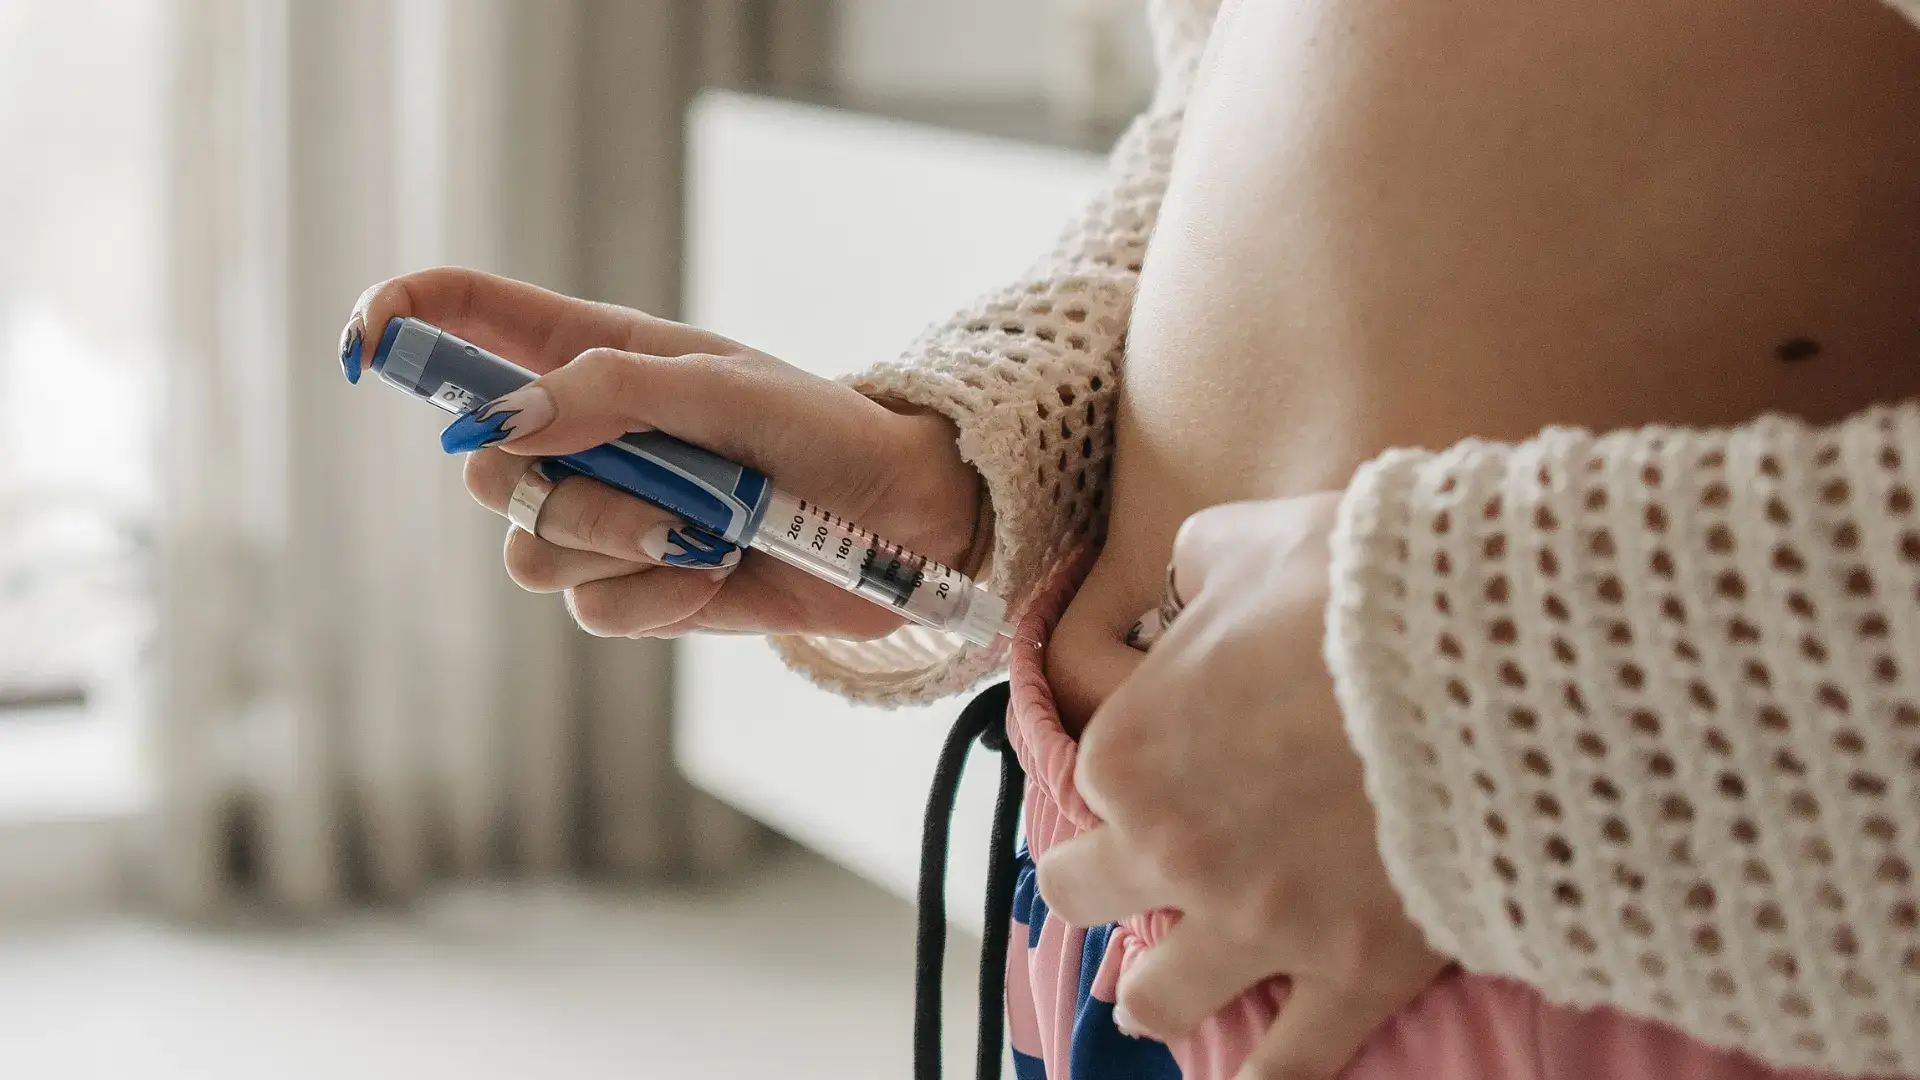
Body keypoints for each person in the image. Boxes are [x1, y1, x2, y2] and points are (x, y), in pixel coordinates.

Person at [339, 0, 1920, 1076]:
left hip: (1660, 941)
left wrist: (1511, 683)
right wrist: (955, 464)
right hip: (1127, 881)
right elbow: (1231, 90)